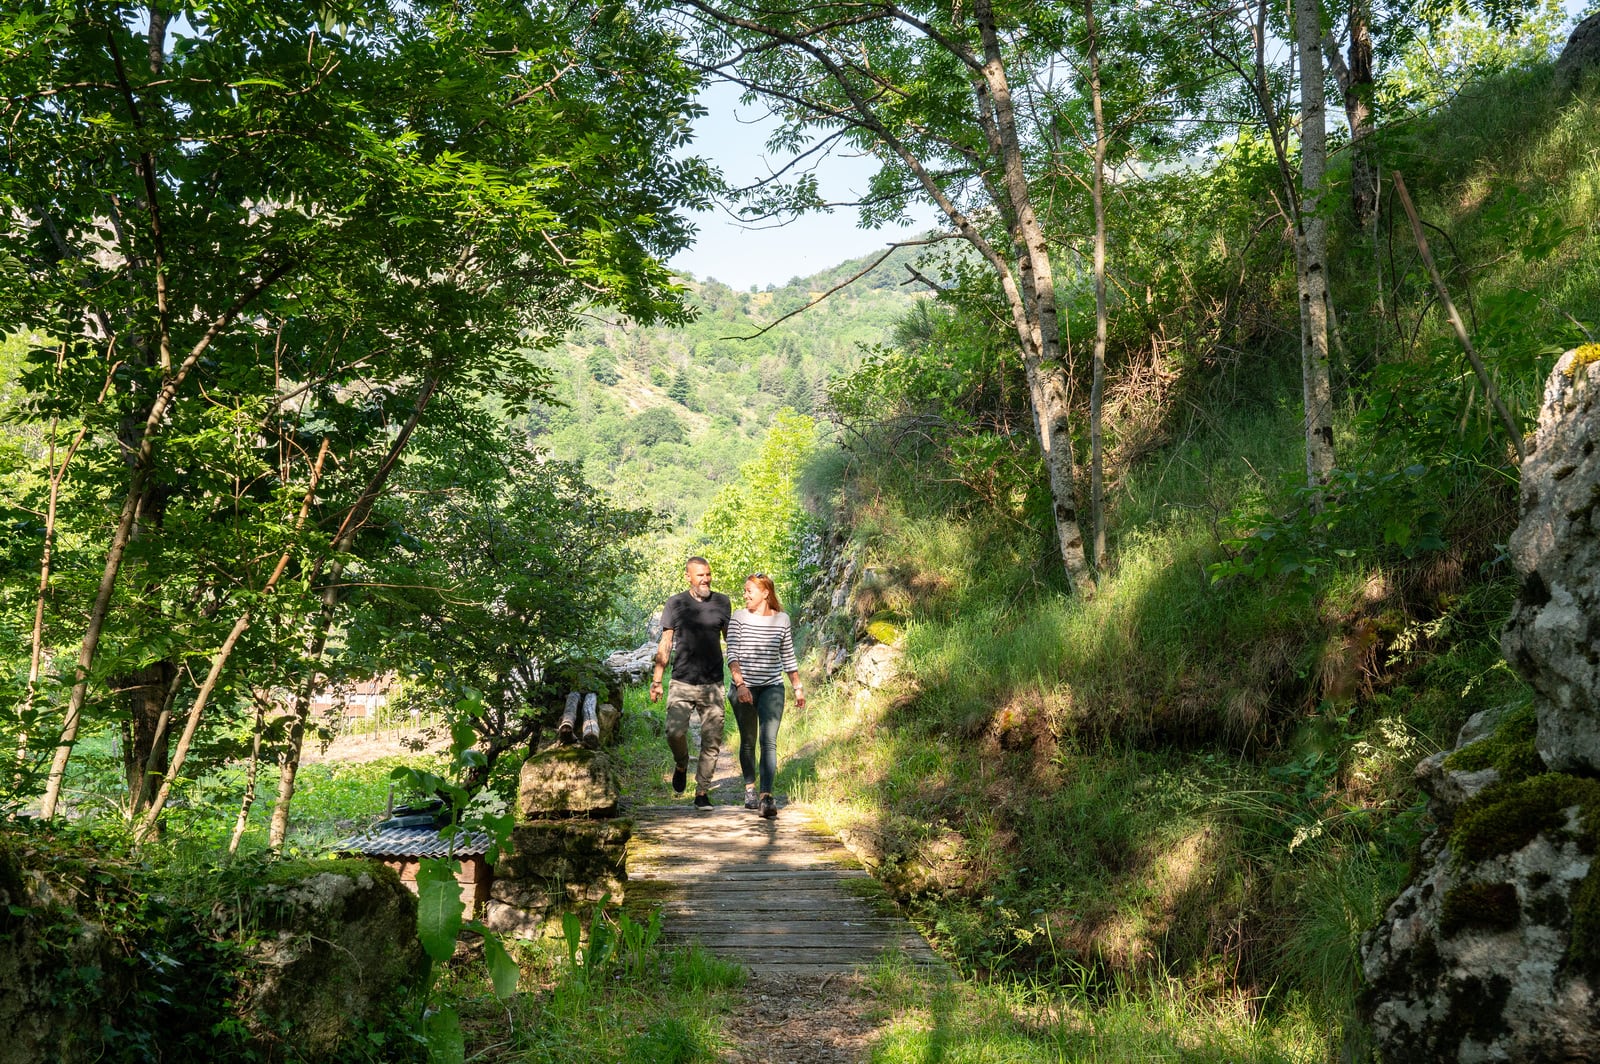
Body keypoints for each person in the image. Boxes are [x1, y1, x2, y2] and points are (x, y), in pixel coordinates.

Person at [649, 557, 731, 809]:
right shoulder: (675, 603)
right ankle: (682, 763)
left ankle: (702, 791)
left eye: (708, 574)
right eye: (700, 575)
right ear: (688, 577)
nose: (705, 579)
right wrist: (657, 680)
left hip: (713, 684)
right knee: (674, 732)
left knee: (712, 740)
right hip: (682, 681)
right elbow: (666, 642)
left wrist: (740, 675)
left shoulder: (722, 602)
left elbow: (731, 642)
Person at [726, 573, 804, 819]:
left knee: (768, 741)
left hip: (772, 687)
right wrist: (740, 685)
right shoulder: (739, 617)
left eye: (750, 590)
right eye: (745, 590)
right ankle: (750, 788)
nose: (745, 594)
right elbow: (732, 654)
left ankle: (766, 797)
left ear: (765, 593)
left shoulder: (782, 619)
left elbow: (788, 655)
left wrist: (797, 687)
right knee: (748, 740)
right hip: (743, 688)